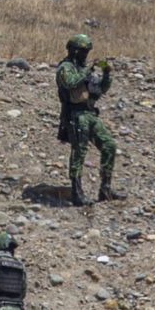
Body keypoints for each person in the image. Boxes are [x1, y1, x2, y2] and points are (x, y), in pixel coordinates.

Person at [56, 33, 121, 205]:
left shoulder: (82, 69)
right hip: (75, 115)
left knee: (109, 145)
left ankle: (105, 189)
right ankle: (76, 192)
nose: (85, 55)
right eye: (83, 51)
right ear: (74, 50)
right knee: (79, 152)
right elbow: (70, 83)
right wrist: (87, 70)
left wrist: (106, 74)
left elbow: (98, 90)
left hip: (90, 114)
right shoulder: (66, 68)